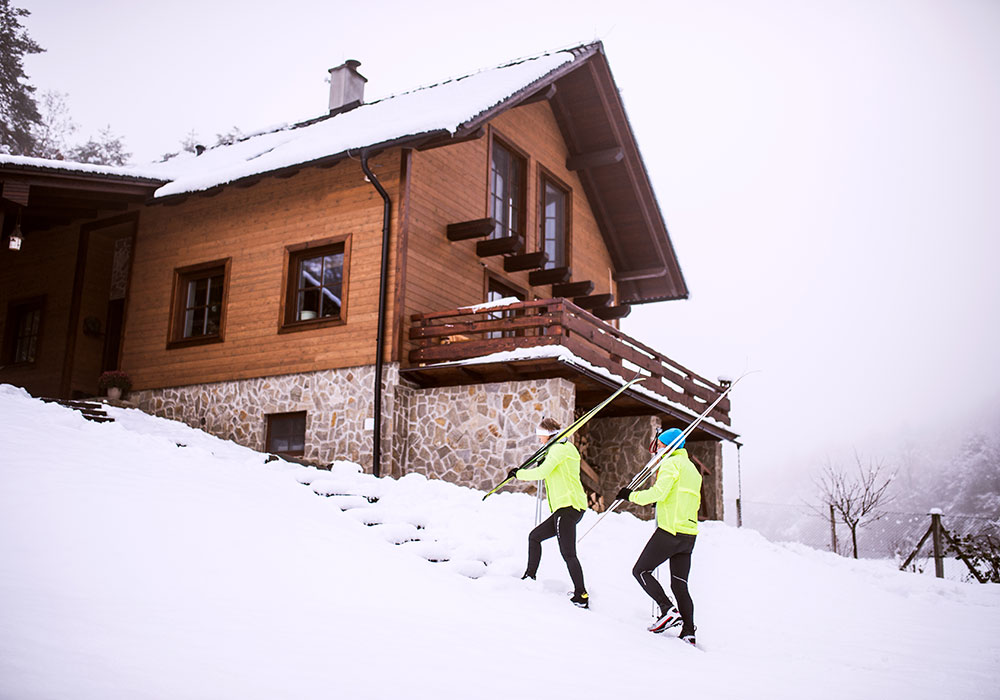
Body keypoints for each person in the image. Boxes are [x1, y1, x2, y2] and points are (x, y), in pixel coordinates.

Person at [616, 427, 701, 645]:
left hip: (670, 530)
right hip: (688, 534)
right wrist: (661, 501)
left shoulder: (671, 463)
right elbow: (685, 497)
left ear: (669, 446)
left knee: (641, 570)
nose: (658, 448)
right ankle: (689, 631)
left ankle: (668, 610)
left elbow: (658, 492)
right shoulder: (691, 469)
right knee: (679, 585)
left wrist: (630, 495)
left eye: (661, 445)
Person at [508, 417, 590, 608]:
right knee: (534, 537)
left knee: (568, 553)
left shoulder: (559, 450)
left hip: (568, 507)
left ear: (548, 435)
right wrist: (544, 458)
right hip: (567, 507)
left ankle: (582, 595)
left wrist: (518, 474)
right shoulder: (563, 448)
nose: (539, 440)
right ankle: (530, 576)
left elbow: (542, 473)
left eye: (541, 436)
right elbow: (552, 469)